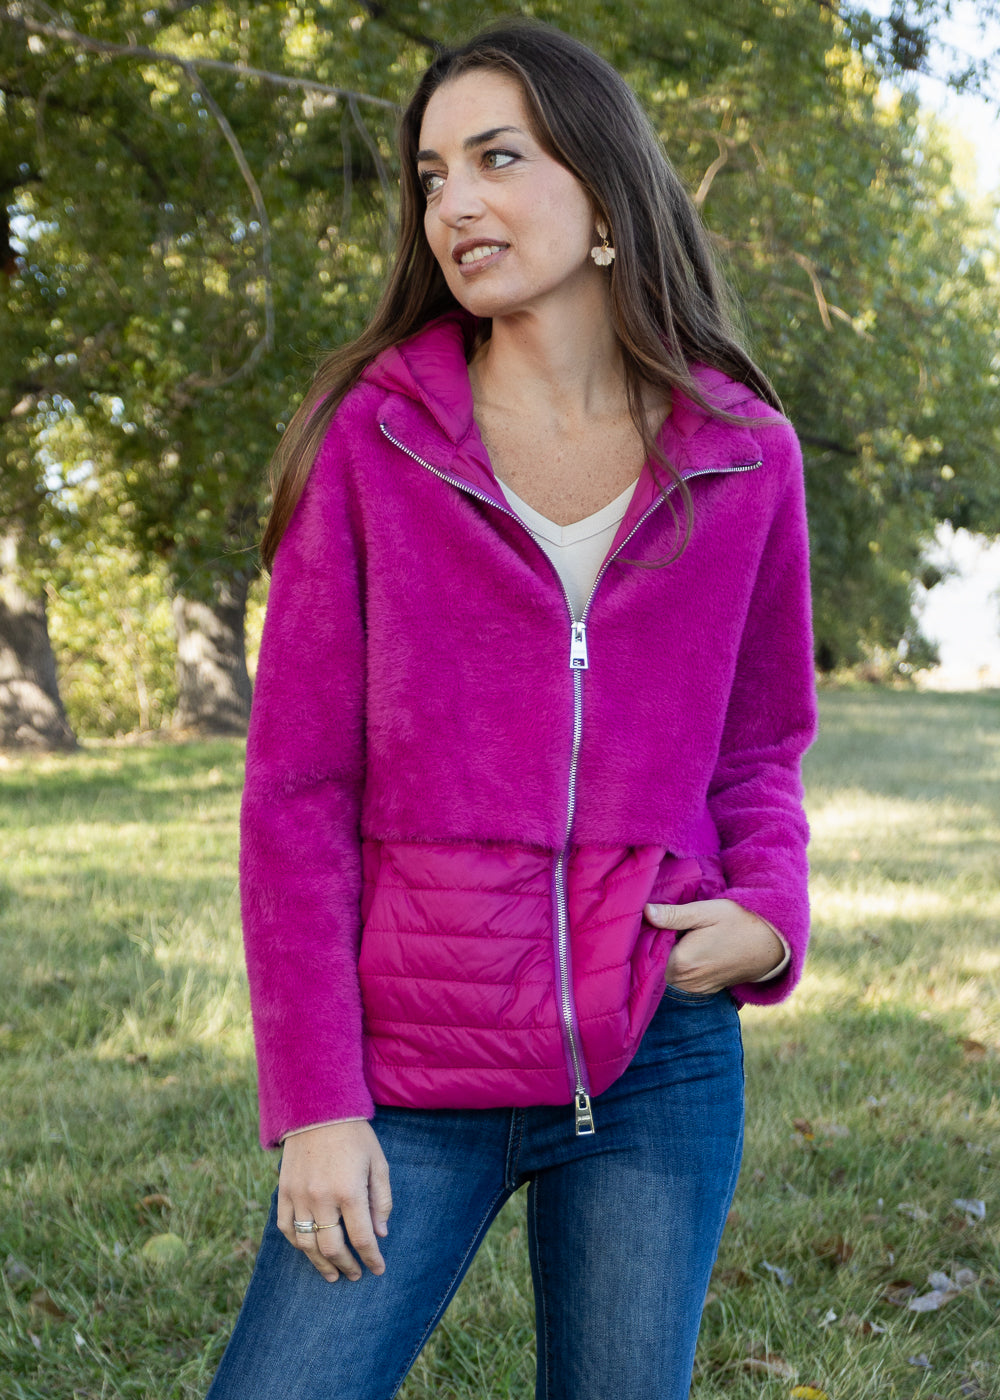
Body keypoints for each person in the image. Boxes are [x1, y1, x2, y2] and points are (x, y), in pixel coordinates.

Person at [206, 19, 816, 1400]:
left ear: (604, 194)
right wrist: (317, 1102)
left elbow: (760, 744)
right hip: (413, 1061)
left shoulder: (745, 457)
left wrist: (770, 912)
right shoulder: (377, 440)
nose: (454, 206)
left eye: (496, 159)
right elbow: (297, 796)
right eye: (431, 177)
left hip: (654, 1055)